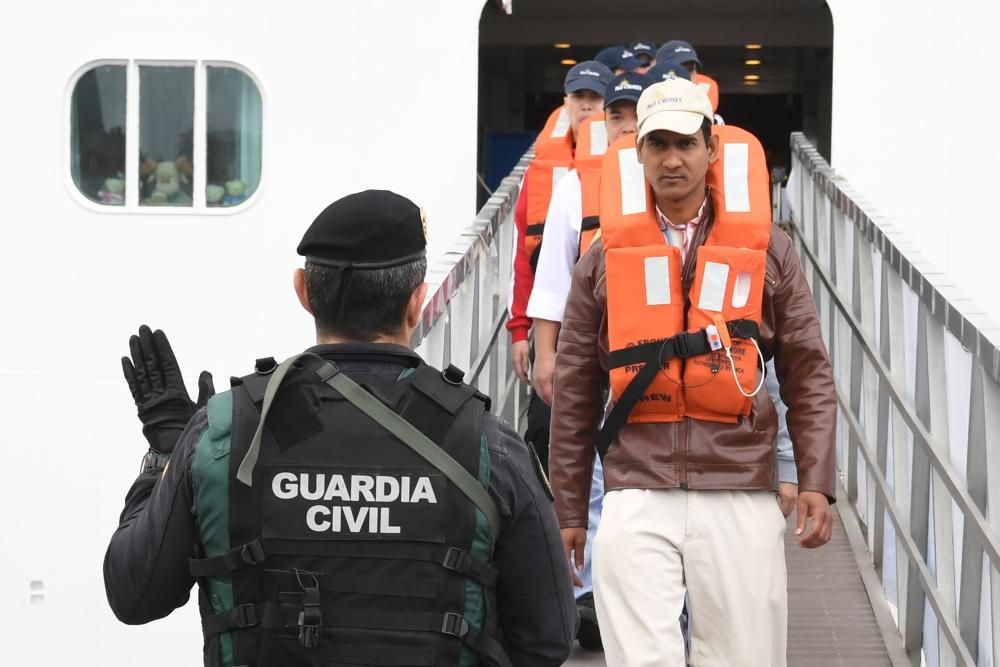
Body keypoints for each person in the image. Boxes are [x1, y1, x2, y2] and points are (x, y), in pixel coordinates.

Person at [104, 190, 577, 667]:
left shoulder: (223, 436)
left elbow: (134, 595)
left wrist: (166, 454)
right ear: (417, 302)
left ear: (303, 292)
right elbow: (548, 638)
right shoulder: (487, 444)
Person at [549, 78, 837, 665]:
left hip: (739, 485)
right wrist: (570, 510)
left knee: (746, 656)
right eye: (658, 144)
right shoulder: (601, 259)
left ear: (712, 147)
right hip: (635, 487)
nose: (672, 159)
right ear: (639, 154)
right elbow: (575, 387)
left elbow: (807, 368)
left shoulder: (769, 250)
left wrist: (815, 479)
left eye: (686, 143)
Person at [508, 60, 611, 472]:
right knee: (545, 429)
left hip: (613, 324)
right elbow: (527, 259)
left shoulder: (629, 167)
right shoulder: (544, 174)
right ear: (565, 103)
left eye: (595, 98)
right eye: (579, 98)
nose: (586, 107)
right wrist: (521, 331)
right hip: (560, 327)